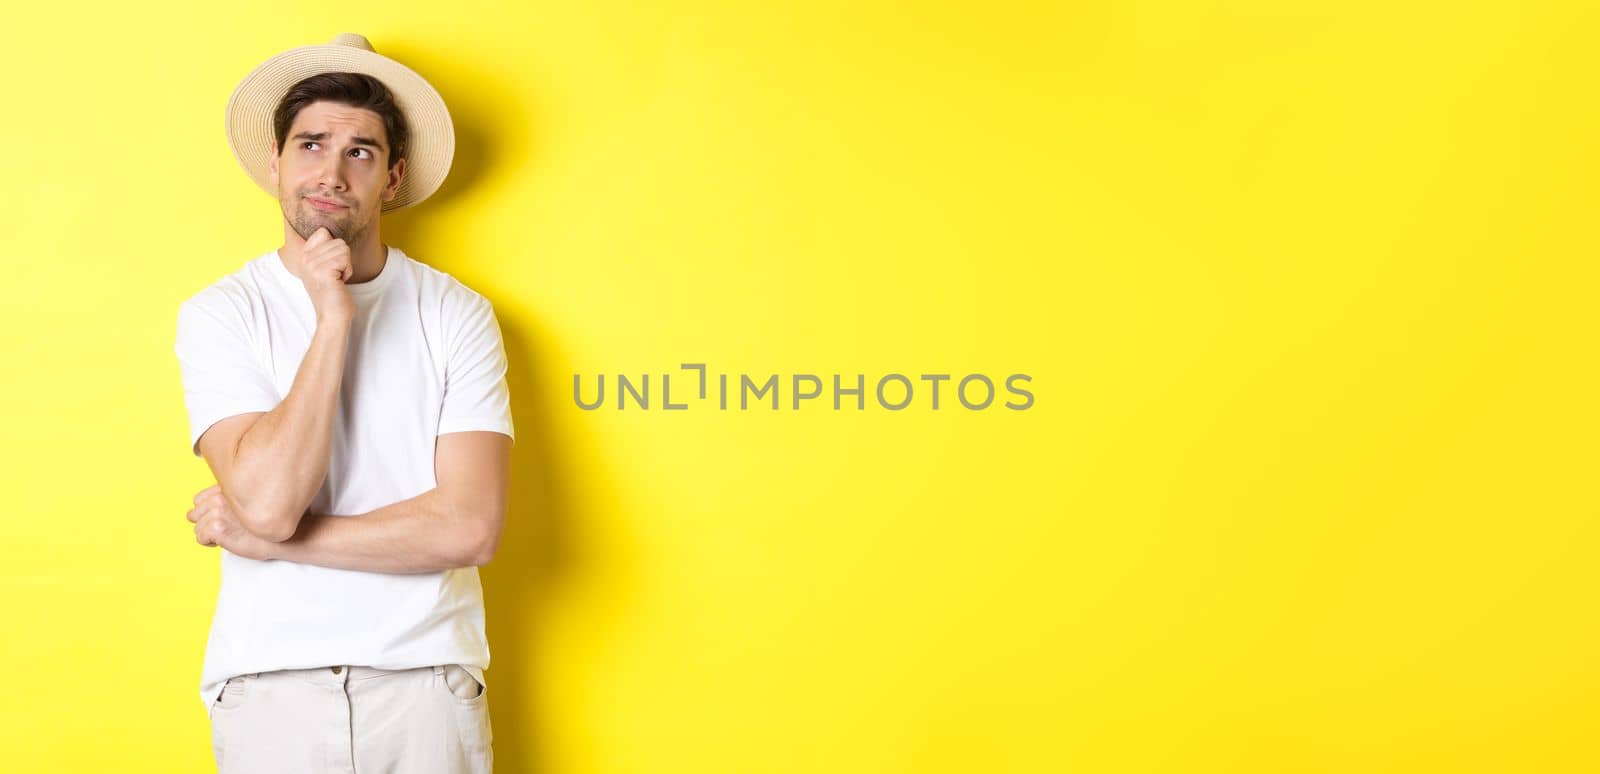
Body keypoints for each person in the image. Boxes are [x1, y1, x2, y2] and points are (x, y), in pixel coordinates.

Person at [174, 33, 510, 773]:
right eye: (311, 143)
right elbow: (266, 501)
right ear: (276, 162)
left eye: (359, 151)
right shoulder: (221, 313)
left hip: (424, 684)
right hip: (269, 687)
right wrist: (333, 320)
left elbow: (469, 527)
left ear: (391, 178)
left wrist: (277, 543)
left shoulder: (456, 313)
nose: (330, 170)